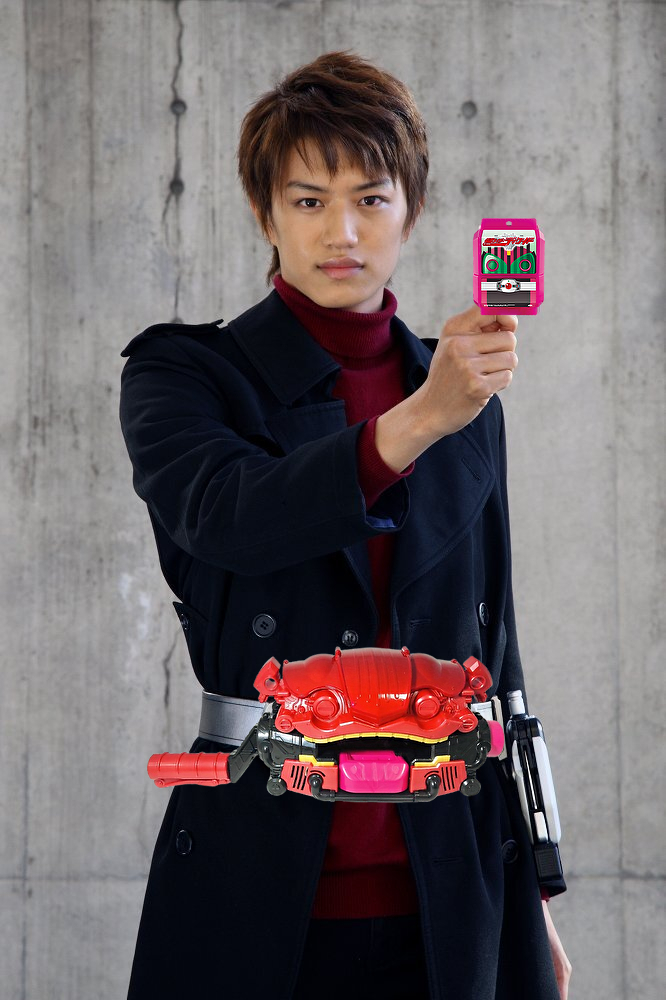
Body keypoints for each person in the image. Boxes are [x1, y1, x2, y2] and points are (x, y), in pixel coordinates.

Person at [119, 50, 571, 1000]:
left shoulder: (463, 396)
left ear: (412, 210)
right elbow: (230, 515)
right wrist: (423, 417)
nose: (343, 231)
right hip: (257, 881)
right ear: (265, 213)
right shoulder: (186, 375)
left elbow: (497, 657)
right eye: (309, 200)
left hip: (452, 891)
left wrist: (535, 890)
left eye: (371, 198)